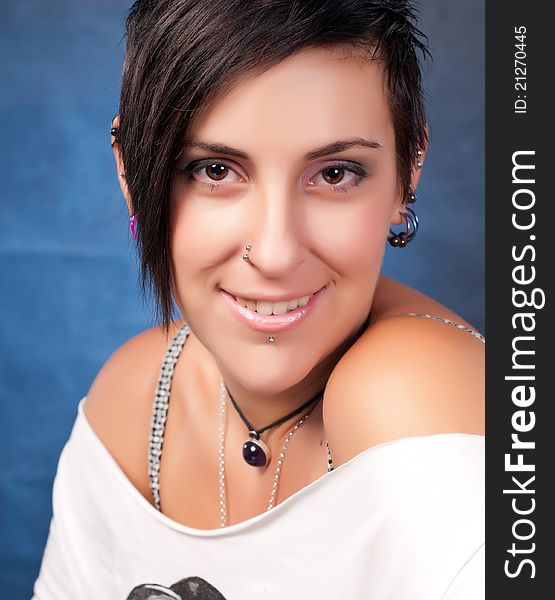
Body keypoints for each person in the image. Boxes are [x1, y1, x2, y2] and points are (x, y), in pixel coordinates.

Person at [32, 1, 485, 598]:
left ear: (408, 172)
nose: (274, 253)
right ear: (129, 170)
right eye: (215, 170)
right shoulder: (138, 400)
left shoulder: (408, 387)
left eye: (336, 174)